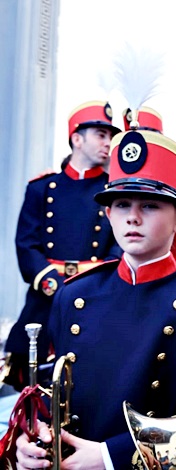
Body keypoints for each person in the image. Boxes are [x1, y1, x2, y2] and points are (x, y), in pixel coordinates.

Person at [14, 121, 176, 469]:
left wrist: (112, 456)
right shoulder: (75, 293)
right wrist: (31, 439)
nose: (133, 218)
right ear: (107, 214)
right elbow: (58, 396)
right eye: (122, 205)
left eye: (150, 206)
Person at [4, 101, 121, 391]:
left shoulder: (113, 190)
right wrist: (53, 284)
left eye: (110, 136)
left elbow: (118, 248)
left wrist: (89, 285)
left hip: (94, 298)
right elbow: (26, 244)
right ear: (77, 139)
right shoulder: (42, 188)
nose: (108, 142)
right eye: (100, 134)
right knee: (31, 386)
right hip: (45, 300)